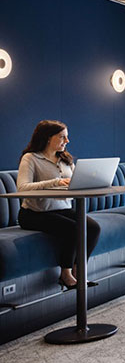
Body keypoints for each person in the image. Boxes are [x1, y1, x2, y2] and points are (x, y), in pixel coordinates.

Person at [17, 120, 100, 289]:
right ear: (48, 138)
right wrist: (56, 182)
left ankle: (79, 270)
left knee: (93, 228)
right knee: (73, 229)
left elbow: (77, 181)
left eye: (67, 137)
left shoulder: (65, 159)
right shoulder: (31, 158)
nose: (67, 141)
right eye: (62, 137)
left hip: (62, 209)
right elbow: (22, 188)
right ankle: (65, 274)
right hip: (34, 213)